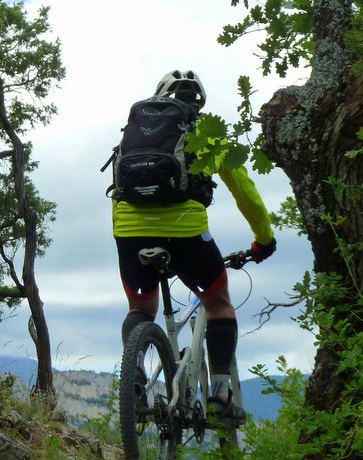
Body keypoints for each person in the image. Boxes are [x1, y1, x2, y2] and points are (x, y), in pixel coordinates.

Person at [112, 69, 276, 422]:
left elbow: (119, 191)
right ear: (197, 104)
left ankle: (136, 377)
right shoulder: (207, 134)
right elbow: (245, 192)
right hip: (186, 233)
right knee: (218, 305)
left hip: (130, 231)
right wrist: (264, 240)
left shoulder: (132, 137)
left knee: (140, 308)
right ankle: (220, 393)